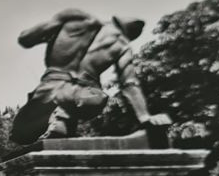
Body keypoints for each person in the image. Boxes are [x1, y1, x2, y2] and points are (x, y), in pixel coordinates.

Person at [10, 8, 172, 144]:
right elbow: (129, 83)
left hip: (49, 89)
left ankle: (61, 119)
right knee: (95, 98)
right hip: (86, 96)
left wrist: (53, 35)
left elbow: (26, 38)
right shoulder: (122, 46)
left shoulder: (77, 18)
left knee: (20, 135)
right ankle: (62, 119)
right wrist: (145, 117)